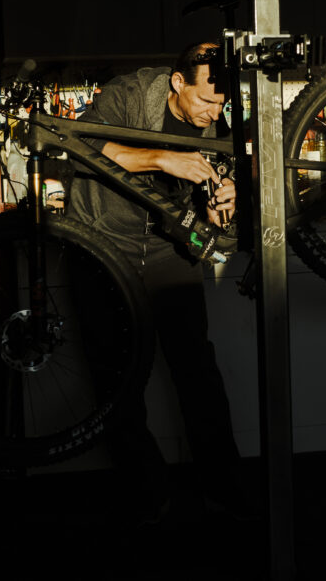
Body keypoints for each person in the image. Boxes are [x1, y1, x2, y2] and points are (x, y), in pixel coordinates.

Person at [66, 41, 247, 523]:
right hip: (102, 249)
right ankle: (150, 497)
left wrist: (219, 212)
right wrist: (164, 159)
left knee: (198, 373)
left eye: (222, 104)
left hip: (170, 256)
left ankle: (225, 491)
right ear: (177, 82)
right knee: (119, 382)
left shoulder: (218, 129)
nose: (214, 113)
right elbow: (82, 148)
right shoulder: (129, 94)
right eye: (206, 101)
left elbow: (217, 235)